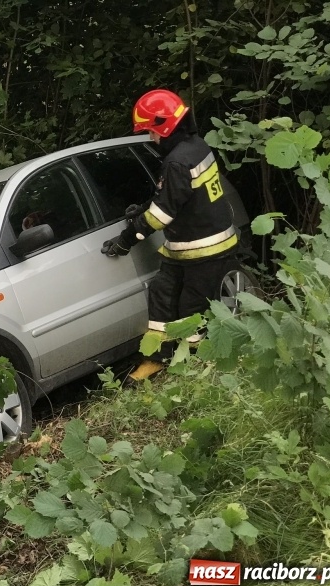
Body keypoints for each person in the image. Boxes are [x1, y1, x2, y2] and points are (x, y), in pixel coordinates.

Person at [102, 89, 239, 381]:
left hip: (205, 249)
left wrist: (125, 240)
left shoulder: (176, 162)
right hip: (188, 248)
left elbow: (161, 215)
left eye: (151, 132)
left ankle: (197, 368)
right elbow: (181, 197)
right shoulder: (197, 146)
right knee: (162, 294)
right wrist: (144, 208)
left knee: (191, 309)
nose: (151, 139)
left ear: (163, 126)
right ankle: (156, 359)